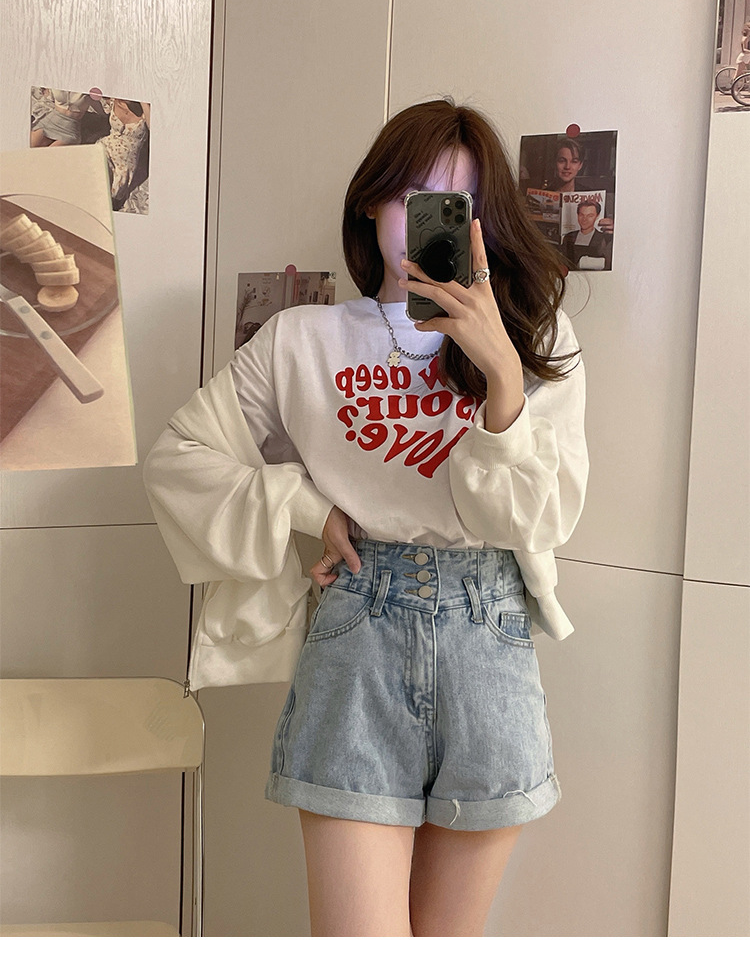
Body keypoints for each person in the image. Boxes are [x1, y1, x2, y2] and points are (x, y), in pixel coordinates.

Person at [144, 98, 589, 937]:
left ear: (484, 221)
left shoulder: (536, 336)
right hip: (360, 631)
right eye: (415, 195)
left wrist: (500, 373)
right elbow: (180, 458)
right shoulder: (301, 340)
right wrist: (306, 506)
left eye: (458, 202)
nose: (431, 219)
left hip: (489, 637)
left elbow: (544, 517)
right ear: (372, 202)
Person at [561, 200, 612, 269]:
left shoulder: (603, 239)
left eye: (590, 216)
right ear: (577, 215)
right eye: (581, 215)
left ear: (597, 216)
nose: (584, 219)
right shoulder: (569, 236)